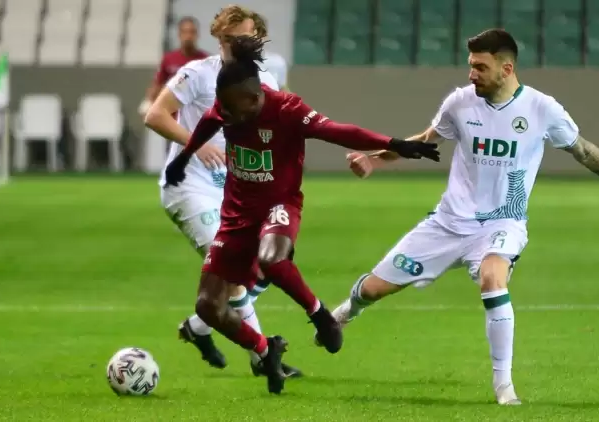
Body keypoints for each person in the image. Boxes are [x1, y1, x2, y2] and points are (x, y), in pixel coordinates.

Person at [325, 28, 599, 405]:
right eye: (470, 66)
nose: (472, 74)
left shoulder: (542, 109)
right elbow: (426, 139)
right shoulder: (460, 103)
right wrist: (374, 160)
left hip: (502, 223)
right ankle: (345, 313)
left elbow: (582, 150)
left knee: (492, 278)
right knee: (372, 289)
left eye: (480, 67)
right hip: (448, 223)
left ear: (507, 68)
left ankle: (504, 385)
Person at [163, 35, 441, 394]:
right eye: (224, 107)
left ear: (255, 97)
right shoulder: (228, 104)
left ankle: (321, 316)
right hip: (236, 215)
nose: (226, 114)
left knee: (272, 259)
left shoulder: (287, 109)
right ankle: (266, 351)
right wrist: (184, 158)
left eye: (233, 108)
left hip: (279, 205)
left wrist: (393, 143)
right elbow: (207, 122)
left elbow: (337, 131)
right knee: (207, 307)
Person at [144, 5, 301, 377]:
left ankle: (198, 328)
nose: (235, 46)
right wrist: (195, 144)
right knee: (233, 272)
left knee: (270, 261)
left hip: (234, 193)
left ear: (258, 39)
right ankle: (264, 357)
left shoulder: (266, 81)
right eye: (229, 40)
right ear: (219, 40)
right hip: (189, 187)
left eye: (243, 39)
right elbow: (155, 115)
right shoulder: (197, 73)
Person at [138, 16, 208, 117]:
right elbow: (157, 83)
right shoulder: (168, 59)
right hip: (171, 116)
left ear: (197, 35)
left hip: (195, 115)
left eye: (192, 32)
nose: (188, 36)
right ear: (179, 34)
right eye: (185, 32)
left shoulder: (205, 60)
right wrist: (148, 102)